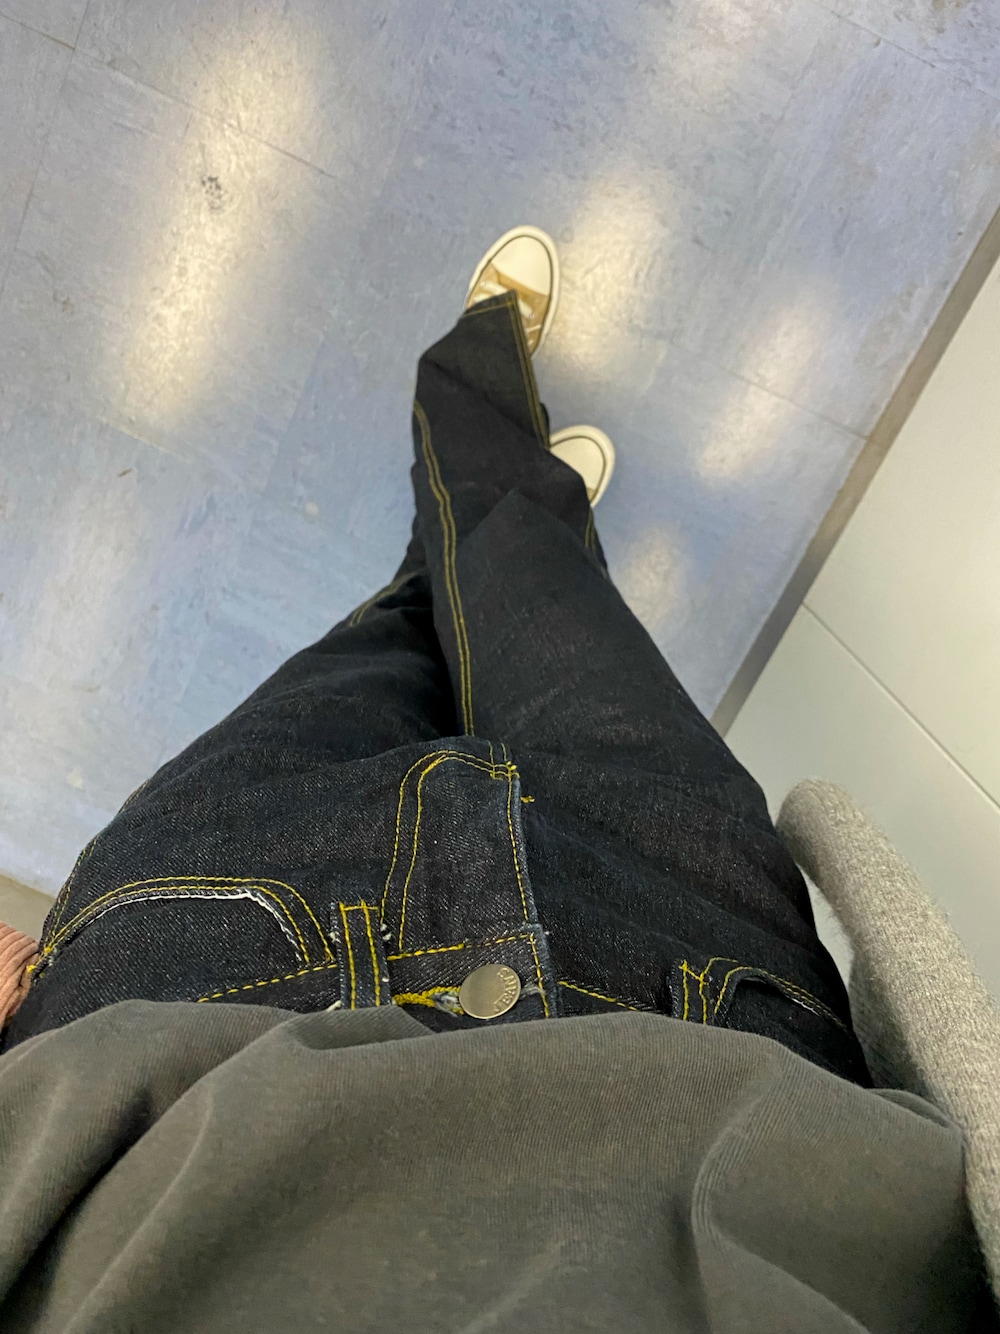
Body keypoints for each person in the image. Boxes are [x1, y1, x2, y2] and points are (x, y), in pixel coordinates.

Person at [0, 227, 993, 1331]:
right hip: (714, 1029)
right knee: (527, 590)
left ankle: (479, 481)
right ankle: (493, 462)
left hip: (178, 1005)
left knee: (386, 641)